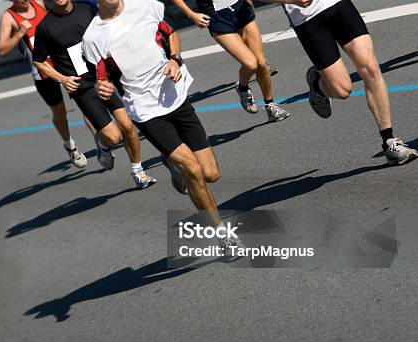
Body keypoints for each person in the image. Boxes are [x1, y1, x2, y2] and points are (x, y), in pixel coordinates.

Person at [83, 0, 244, 254]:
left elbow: (171, 34)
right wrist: (101, 88)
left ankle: (171, 163)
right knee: (192, 168)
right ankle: (221, 234)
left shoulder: (147, 6)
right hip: (145, 111)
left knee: (211, 174)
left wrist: (174, 59)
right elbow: (99, 78)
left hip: (176, 96)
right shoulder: (92, 37)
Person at [263, 0, 417, 165]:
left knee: (371, 68)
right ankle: (317, 85)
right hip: (306, 17)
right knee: (342, 90)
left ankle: (389, 141)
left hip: (338, 4)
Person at [32, 0, 156, 188]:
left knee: (127, 125)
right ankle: (103, 144)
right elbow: (39, 61)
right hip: (82, 87)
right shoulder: (45, 27)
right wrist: (62, 79)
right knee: (114, 137)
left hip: (103, 78)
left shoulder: (87, 8)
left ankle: (138, 171)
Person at [0, 0, 88, 168]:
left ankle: (102, 141)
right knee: (59, 111)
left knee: (85, 99)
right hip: (42, 71)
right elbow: (2, 50)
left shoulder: (38, 2)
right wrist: (19, 34)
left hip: (62, 61)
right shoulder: (8, 17)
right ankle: (70, 146)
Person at [171, 0, 290, 123]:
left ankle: (271, 106)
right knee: (251, 64)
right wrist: (191, 14)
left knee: (261, 62)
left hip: (240, 7)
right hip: (216, 15)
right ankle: (242, 88)